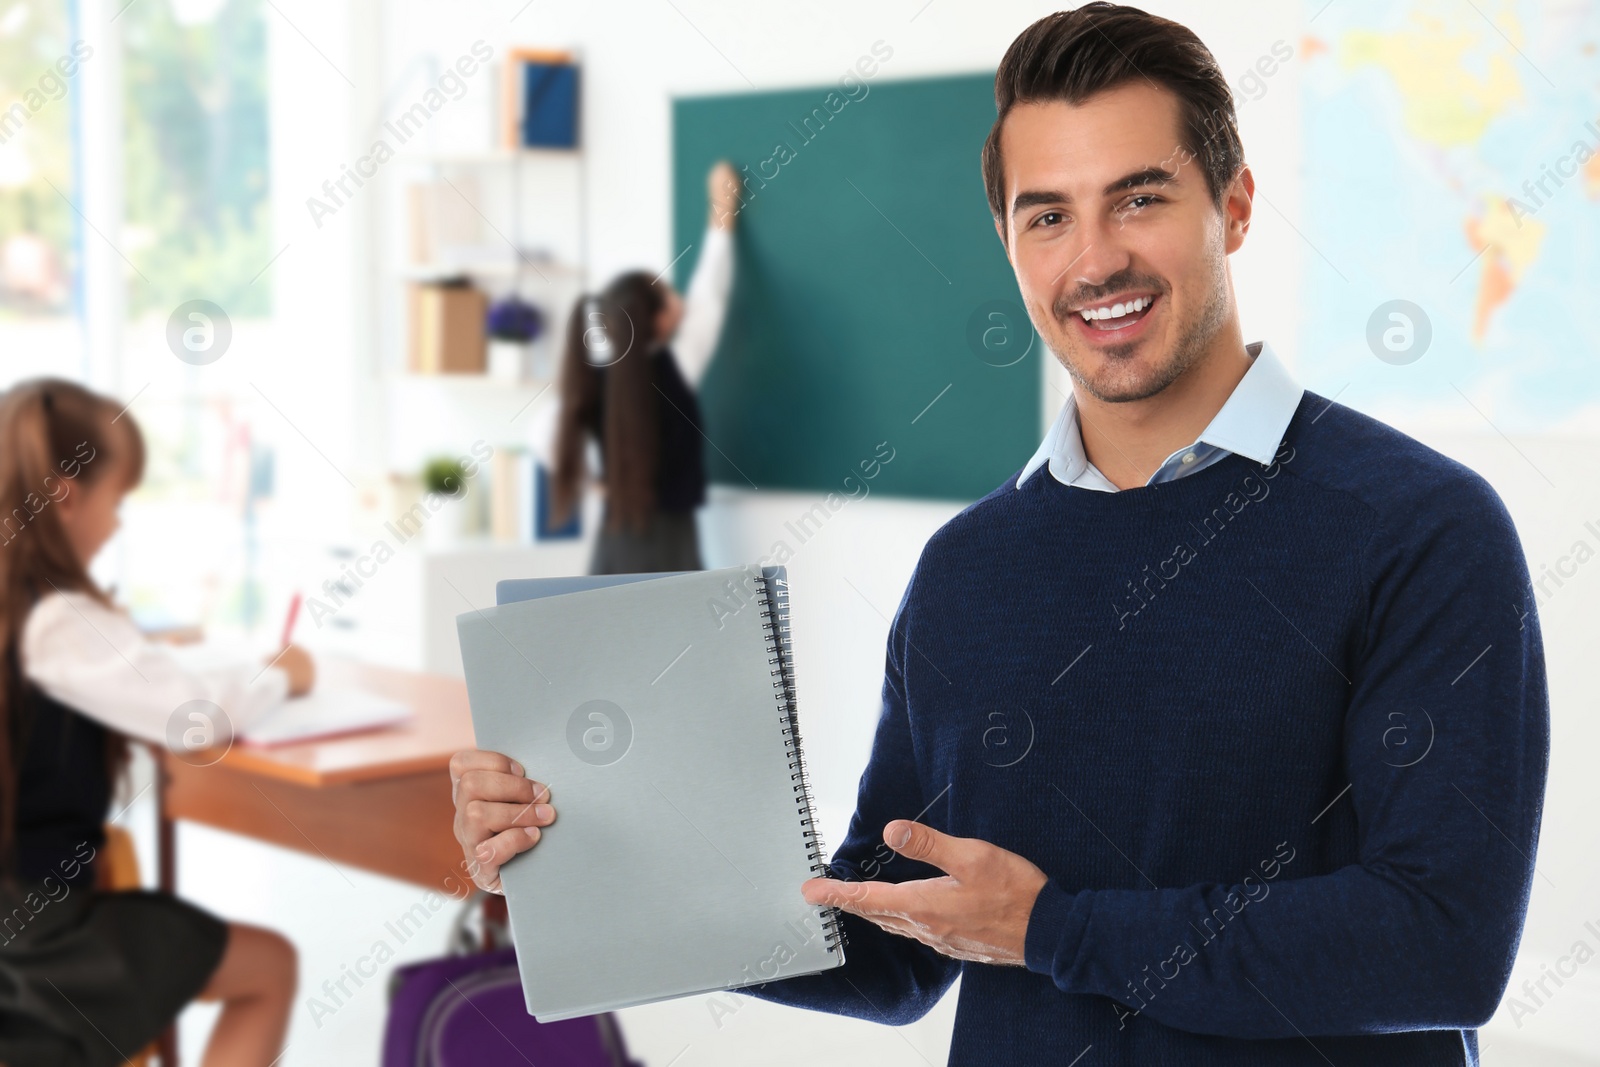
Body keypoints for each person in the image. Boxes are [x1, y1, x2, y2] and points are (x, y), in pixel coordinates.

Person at [448, 5, 1548, 1064]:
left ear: (1237, 204)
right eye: (1048, 214)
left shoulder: (1418, 528)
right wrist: (589, 866)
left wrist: (1050, 928)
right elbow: (890, 945)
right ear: (1007, 242)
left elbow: (1437, 942)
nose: (1095, 259)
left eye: (1140, 197)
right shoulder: (969, 569)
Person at [0, 379, 301, 1067]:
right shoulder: (54, 618)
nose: (119, 523)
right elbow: (197, 716)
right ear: (68, 497)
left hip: (24, 922)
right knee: (269, 967)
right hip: (35, 936)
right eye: (118, 499)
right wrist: (286, 673)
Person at [544, 160, 742, 574]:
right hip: (669, 542)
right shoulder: (677, 365)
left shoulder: (599, 378)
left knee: (612, 637)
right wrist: (722, 210)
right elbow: (710, 292)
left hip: (616, 542)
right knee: (675, 636)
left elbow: (545, 436)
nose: (679, 301)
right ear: (657, 320)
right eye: (668, 295)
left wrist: (601, 484)